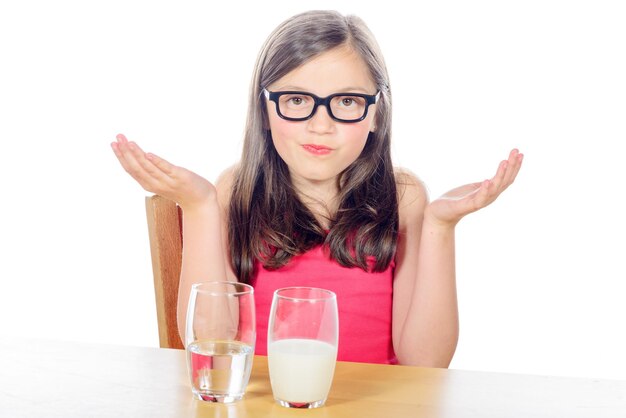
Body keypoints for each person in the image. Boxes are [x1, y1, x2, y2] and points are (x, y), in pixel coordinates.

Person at [111, 10, 522, 367]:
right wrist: (201, 206)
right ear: (266, 111)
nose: (320, 125)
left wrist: (439, 226)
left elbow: (426, 362)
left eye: (345, 102)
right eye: (296, 100)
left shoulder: (404, 196)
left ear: (376, 113)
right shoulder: (237, 188)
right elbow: (212, 345)